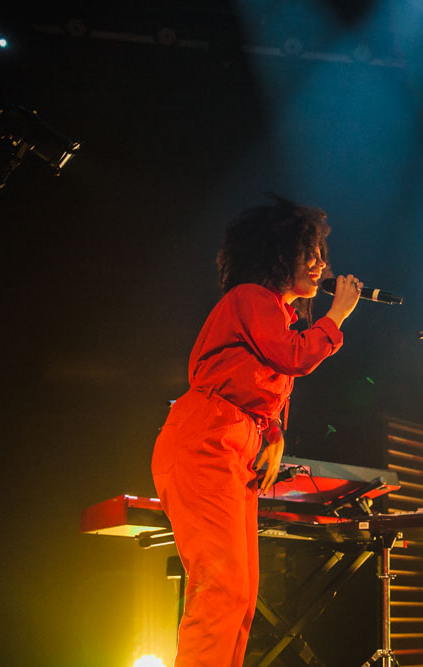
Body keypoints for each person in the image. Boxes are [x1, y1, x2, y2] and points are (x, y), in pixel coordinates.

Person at [150, 196, 363, 667]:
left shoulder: (274, 312)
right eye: (309, 252)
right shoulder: (250, 297)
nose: (321, 263)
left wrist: (274, 436)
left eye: (321, 252)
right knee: (221, 589)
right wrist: (338, 316)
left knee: (241, 596)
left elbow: (262, 381)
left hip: (233, 447)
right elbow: (291, 356)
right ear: (278, 254)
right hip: (206, 439)